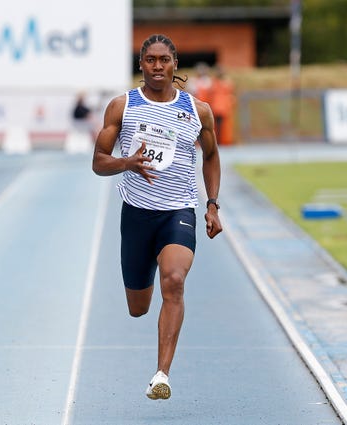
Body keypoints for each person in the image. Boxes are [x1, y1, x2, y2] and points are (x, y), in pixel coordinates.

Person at [92, 34, 222, 400]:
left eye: (165, 60)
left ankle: (161, 374)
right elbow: (98, 162)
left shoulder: (199, 111)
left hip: (178, 211)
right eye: (150, 60)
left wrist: (211, 204)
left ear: (175, 64)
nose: (158, 66)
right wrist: (127, 163)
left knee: (175, 280)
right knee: (138, 308)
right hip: (136, 215)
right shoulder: (122, 107)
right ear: (141, 65)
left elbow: (211, 157)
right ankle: (143, 285)